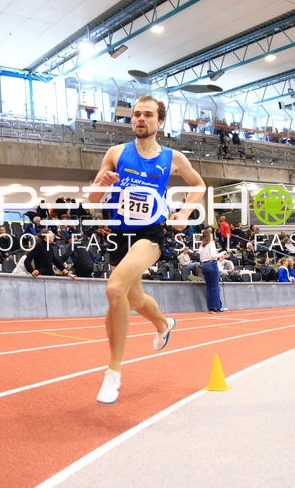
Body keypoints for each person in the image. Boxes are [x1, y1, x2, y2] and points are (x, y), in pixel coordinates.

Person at [89, 95, 206, 404]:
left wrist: (183, 213)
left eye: (147, 115)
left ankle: (113, 373)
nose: (140, 119)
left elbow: (199, 185)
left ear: (160, 122)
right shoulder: (115, 153)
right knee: (134, 297)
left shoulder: (173, 157)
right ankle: (163, 323)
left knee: (115, 290)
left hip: (152, 233)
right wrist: (103, 181)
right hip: (120, 234)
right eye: (136, 114)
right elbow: (92, 200)